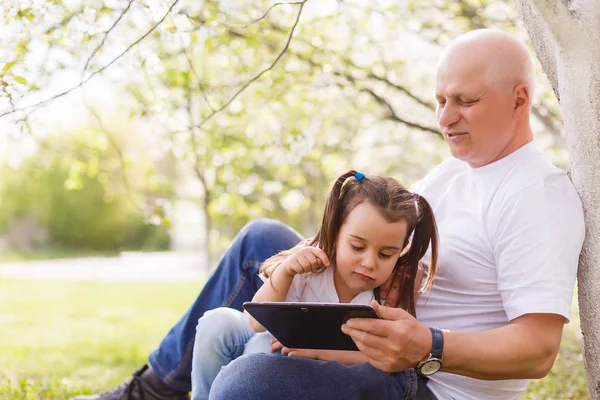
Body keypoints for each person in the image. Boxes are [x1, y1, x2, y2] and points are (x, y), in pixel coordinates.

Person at [74, 28, 585, 400]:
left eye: (466, 102)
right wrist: (307, 255)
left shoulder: (534, 195)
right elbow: (373, 225)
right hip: (370, 324)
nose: (446, 118)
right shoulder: (454, 172)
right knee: (262, 240)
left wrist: (427, 345)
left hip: (425, 380)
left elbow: (537, 350)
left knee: (246, 381)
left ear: (519, 99)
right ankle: (151, 391)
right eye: (440, 100)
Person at [189, 170, 439, 400]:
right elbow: (255, 323)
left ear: (401, 251)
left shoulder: (387, 297)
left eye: (385, 254)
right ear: (336, 231)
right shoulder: (310, 267)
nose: (369, 262)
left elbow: (382, 357)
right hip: (266, 337)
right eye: (357, 247)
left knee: (260, 352)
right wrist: (285, 270)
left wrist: (321, 354)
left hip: (289, 359)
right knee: (215, 323)